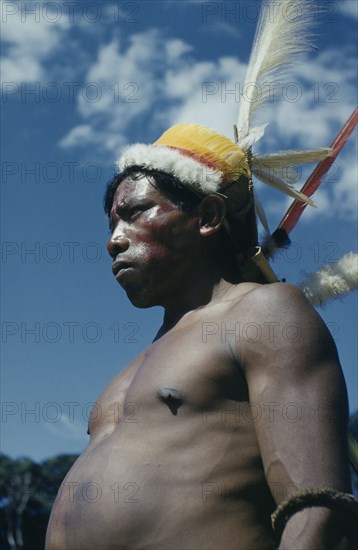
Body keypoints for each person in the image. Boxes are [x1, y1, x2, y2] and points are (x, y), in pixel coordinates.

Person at [45, 122, 357, 550]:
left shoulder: (264, 311)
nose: (113, 241)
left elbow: (317, 507)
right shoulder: (136, 366)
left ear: (208, 217)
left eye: (135, 213)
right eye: (112, 224)